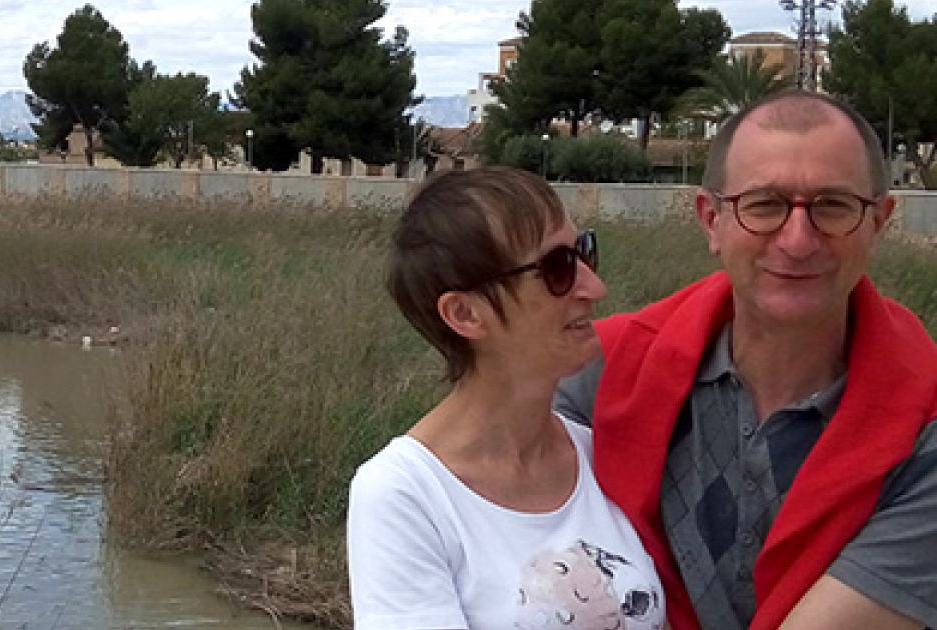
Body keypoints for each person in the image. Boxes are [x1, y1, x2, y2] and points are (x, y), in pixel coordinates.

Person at [555, 90, 937, 630]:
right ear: (711, 220)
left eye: (833, 206)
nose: (798, 241)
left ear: (879, 221)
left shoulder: (927, 424)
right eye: (764, 205)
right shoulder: (602, 369)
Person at [347, 167, 666, 630]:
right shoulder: (405, 496)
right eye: (557, 268)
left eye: (584, 252)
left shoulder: (601, 456)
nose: (595, 288)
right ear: (465, 313)